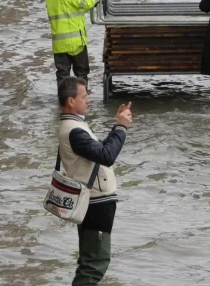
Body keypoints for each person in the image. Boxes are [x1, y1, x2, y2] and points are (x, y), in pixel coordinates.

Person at [56, 77, 132, 286]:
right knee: (94, 264)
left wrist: (117, 126)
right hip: (95, 204)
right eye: (84, 96)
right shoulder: (74, 131)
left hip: (92, 201)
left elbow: (100, 152)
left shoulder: (74, 126)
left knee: (90, 260)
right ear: (71, 101)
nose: (88, 100)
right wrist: (122, 127)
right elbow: (107, 156)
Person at [45, 0, 101, 82]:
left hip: (59, 44)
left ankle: (64, 94)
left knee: (62, 76)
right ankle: (81, 94)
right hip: (75, 43)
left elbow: (67, 10)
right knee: (81, 74)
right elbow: (88, 2)